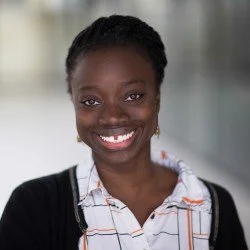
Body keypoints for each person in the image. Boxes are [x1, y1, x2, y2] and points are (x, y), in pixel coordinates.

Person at [0, 15, 247, 250]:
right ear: (74, 103)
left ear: (157, 99)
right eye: (90, 101)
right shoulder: (34, 207)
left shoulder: (213, 207)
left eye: (132, 96)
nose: (112, 116)